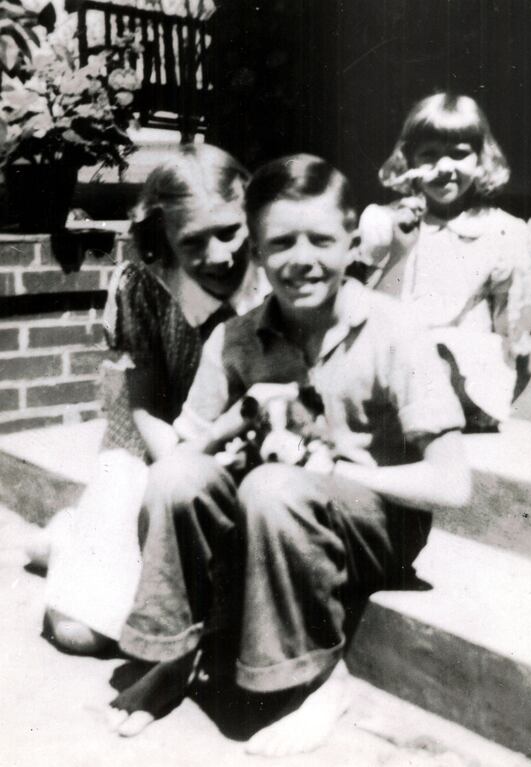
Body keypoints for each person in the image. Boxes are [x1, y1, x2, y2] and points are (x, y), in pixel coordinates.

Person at [105, 154, 472, 754]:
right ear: (259, 246)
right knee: (177, 476)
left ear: (352, 239)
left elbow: (452, 485)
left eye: (322, 239)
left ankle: (317, 681)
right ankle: (170, 655)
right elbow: (183, 454)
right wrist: (240, 417)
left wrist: (344, 468)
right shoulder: (235, 338)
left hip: (377, 529)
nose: (303, 259)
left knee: (271, 486)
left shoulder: (394, 329)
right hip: (274, 518)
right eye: (281, 242)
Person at [33, 144, 271, 654]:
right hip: (154, 441)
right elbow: (142, 404)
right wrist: (179, 468)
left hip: (238, 449)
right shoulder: (143, 282)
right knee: (78, 633)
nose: (219, 256)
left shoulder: (275, 277)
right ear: (163, 238)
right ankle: (69, 536)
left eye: (229, 231)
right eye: (193, 241)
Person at [358, 93, 531, 428]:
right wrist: (400, 250)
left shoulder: (502, 230)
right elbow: (373, 312)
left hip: (467, 368)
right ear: (409, 160)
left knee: (440, 357)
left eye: (459, 154)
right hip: (397, 359)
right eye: (429, 155)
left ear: (481, 158)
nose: (444, 168)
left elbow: (508, 325)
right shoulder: (387, 221)